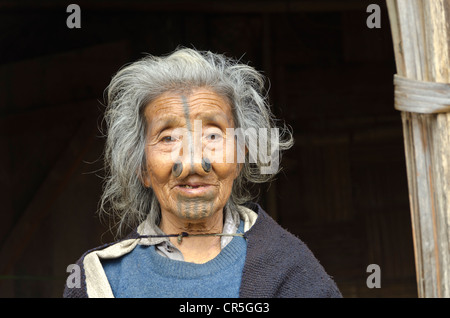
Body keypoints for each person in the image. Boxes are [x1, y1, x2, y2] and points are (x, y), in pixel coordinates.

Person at [63, 47, 342, 298]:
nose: (194, 164)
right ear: (142, 168)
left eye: (212, 135)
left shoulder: (289, 269)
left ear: (240, 157)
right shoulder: (100, 281)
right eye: (168, 138)